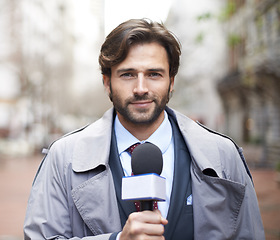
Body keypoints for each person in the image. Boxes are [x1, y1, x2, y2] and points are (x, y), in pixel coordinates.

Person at [24, 19, 265, 240]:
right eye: (128, 74)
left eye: (154, 74)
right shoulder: (64, 158)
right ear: (107, 83)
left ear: (171, 82)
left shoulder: (224, 155)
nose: (141, 88)